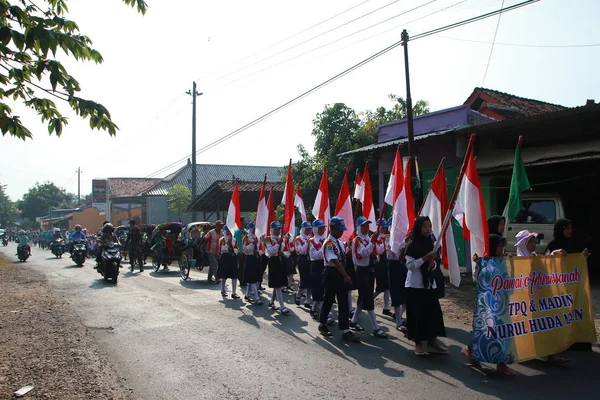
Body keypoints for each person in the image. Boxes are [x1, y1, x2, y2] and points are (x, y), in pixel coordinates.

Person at [405, 216, 447, 356]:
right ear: (418, 228)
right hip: (415, 285)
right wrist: (424, 259)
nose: (428, 229)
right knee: (417, 314)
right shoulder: (412, 245)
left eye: (429, 226)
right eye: (424, 226)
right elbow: (410, 265)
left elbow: (435, 263)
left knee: (433, 313)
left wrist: (432, 263)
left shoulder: (432, 244)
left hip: (429, 284)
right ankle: (418, 343)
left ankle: (432, 341)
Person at [318, 216, 360, 342]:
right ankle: (322, 323)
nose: (342, 232)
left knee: (343, 303)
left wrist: (349, 246)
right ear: (332, 228)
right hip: (332, 273)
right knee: (328, 300)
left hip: (340, 273)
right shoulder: (329, 243)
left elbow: (343, 255)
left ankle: (345, 330)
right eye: (339, 229)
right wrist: (346, 276)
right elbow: (335, 261)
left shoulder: (338, 242)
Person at [350, 217, 387, 338]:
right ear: (359, 227)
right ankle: (376, 328)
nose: (366, 228)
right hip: (361, 271)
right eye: (364, 226)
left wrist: (372, 248)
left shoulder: (368, 239)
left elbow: (376, 254)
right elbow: (362, 254)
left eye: (367, 226)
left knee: (363, 297)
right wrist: (372, 244)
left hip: (370, 270)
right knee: (368, 298)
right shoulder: (357, 240)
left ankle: (354, 321)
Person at [385, 217, 408, 331]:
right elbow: (392, 253)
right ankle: (399, 322)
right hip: (394, 267)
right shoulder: (389, 238)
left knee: (406, 295)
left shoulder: (404, 237)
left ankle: (398, 316)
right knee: (397, 295)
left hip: (404, 267)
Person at [265, 221, 291, 315]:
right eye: (276, 229)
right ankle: (282, 306)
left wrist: (283, 253)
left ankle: (271, 302)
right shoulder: (268, 239)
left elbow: (288, 252)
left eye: (279, 229)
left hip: (281, 261)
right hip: (274, 262)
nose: (278, 231)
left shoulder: (282, 239)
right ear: (272, 230)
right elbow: (271, 251)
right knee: (278, 285)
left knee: (279, 284)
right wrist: (277, 244)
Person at [373, 219, 392, 317]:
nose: (384, 229)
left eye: (385, 227)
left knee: (387, 287)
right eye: (382, 227)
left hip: (385, 263)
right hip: (378, 265)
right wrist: (385, 245)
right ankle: (366, 301)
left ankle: (386, 308)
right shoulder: (374, 238)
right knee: (380, 288)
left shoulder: (385, 237)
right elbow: (378, 251)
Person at [308, 219, 327, 319]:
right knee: (318, 289)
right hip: (316, 265)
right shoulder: (312, 241)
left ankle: (315, 309)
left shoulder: (326, 239)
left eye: (323, 228)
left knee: (324, 289)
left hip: (324, 265)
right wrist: (324, 249)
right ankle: (317, 311)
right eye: (320, 228)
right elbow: (314, 255)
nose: (322, 230)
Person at [242, 222, 262, 304]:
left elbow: (261, 248)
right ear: (250, 229)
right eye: (253, 228)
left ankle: (247, 294)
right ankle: (257, 297)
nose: (254, 230)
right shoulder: (246, 238)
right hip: (249, 258)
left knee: (253, 278)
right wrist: (251, 244)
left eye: (255, 228)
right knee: (252, 279)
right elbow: (245, 250)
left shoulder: (258, 238)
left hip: (256, 258)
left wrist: (259, 252)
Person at [218, 226, 240, 299]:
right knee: (224, 275)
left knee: (234, 276)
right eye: (227, 231)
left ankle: (234, 292)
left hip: (232, 258)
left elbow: (237, 249)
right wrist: (228, 244)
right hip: (225, 258)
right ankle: (223, 289)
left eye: (230, 231)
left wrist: (234, 250)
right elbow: (222, 249)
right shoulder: (222, 240)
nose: (229, 232)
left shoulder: (234, 239)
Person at [294, 222, 313, 307]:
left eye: (309, 229)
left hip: (310, 259)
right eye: (307, 229)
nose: (308, 231)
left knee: (310, 281)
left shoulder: (311, 238)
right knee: (304, 279)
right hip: (302, 259)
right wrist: (307, 243)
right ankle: (298, 295)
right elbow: (300, 251)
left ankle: (308, 301)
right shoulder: (299, 239)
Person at [234, 216, 247, 287]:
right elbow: (238, 242)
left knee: (245, 266)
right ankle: (241, 280)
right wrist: (240, 251)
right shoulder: (238, 231)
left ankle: (244, 279)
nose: (245, 222)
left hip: (246, 251)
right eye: (244, 221)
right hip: (241, 252)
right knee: (241, 266)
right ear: (241, 222)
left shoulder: (245, 230)